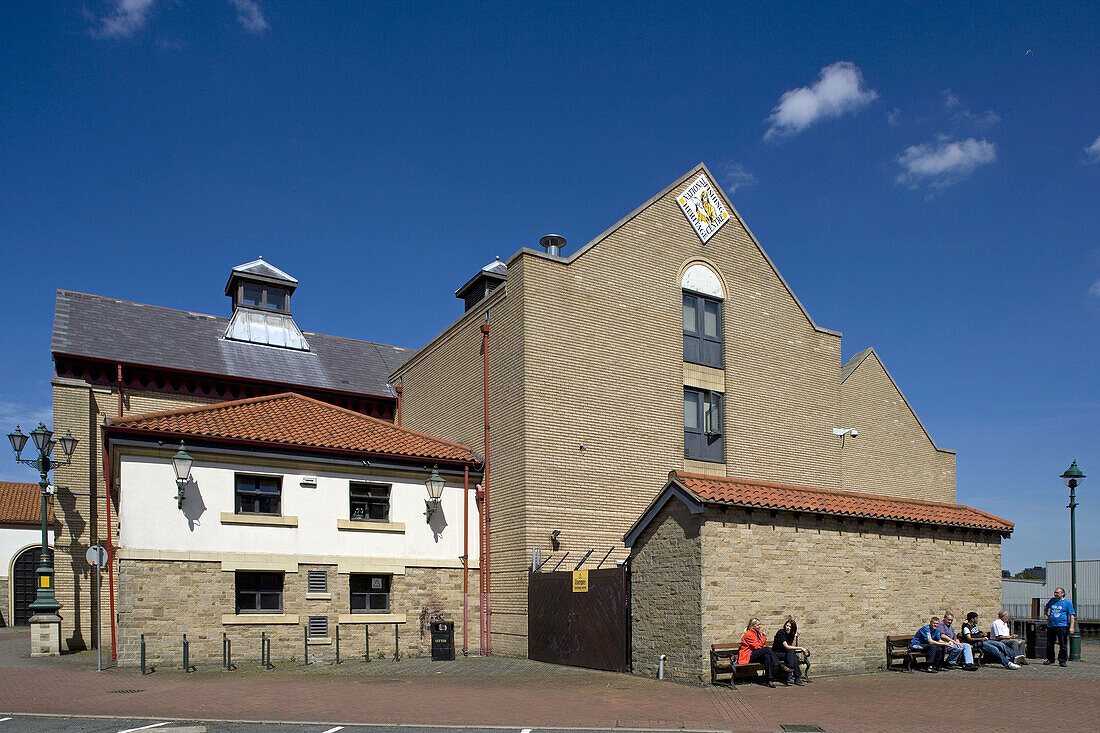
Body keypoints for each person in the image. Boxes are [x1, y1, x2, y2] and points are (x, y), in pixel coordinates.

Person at [739, 617, 790, 687]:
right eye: (757, 625)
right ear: (752, 626)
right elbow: (757, 646)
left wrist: (762, 638)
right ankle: (779, 665)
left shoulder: (756, 633)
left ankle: (769, 679)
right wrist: (764, 637)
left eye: (759, 625)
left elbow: (760, 646)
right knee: (767, 649)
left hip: (756, 654)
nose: (759, 626)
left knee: (767, 656)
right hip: (749, 656)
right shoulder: (748, 635)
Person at [1043, 587, 1076, 666]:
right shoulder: (1052, 601)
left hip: (1062, 626)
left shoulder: (1067, 603)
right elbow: (1046, 607)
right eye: (1055, 593)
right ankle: (1050, 659)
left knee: (1062, 644)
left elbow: (1072, 615)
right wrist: (1046, 614)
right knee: (1050, 643)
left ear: (1062, 593)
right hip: (1051, 625)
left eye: (1057, 593)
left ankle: (1062, 660)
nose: (1055, 594)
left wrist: (1072, 627)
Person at [772, 617, 807, 685]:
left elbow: (793, 647)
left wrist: (795, 637)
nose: (788, 627)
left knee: (793, 655)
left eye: (790, 627)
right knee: (794, 656)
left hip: (787, 654)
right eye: (787, 625)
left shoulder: (791, 634)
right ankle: (797, 677)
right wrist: (801, 648)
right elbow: (787, 646)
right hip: (777, 653)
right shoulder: (781, 633)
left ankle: (790, 669)